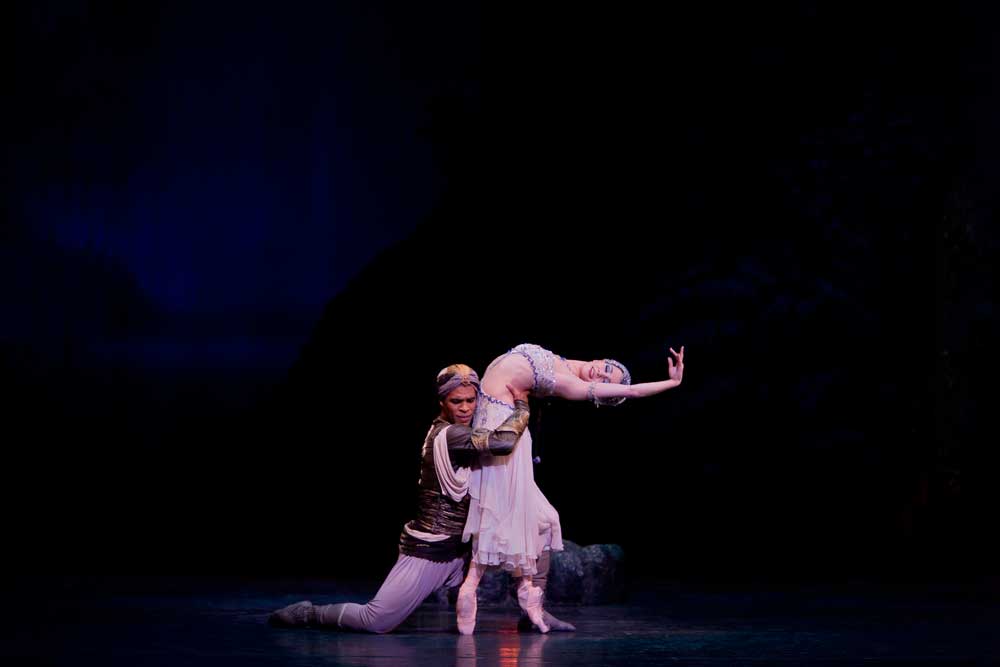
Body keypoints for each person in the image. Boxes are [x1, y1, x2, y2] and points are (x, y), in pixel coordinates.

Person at [268, 364, 532, 633]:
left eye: (470, 400)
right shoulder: (450, 435)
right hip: (433, 551)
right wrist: (522, 407)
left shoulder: (465, 429)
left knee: (539, 529)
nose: (464, 408)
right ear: (442, 401)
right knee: (376, 620)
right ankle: (310, 614)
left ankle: (537, 617)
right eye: (456, 401)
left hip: (464, 547)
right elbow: (503, 442)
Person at [457, 343, 685, 634]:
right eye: (605, 369)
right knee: (513, 513)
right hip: (498, 423)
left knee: (538, 518)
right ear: (602, 358)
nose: (599, 376)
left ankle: (513, 598)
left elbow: (633, 391)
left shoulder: (576, 386)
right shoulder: (562, 361)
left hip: (503, 428)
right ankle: (509, 595)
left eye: (605, 383)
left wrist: (673, 382)